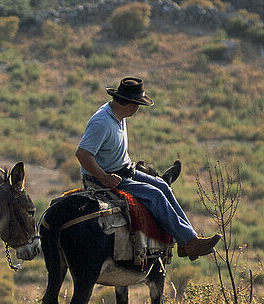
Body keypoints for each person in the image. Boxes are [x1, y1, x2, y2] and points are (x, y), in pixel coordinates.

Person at [75, 76, 220, 259]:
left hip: (123, 170)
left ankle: (187, 241)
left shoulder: (117, 116)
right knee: (155, 195)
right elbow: (82, 154)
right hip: (105, 177)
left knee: (163, 186)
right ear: (131, 104)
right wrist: (104, 177)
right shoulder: (102, 122)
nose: (137, 109)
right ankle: (189, 242)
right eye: (137, 105)